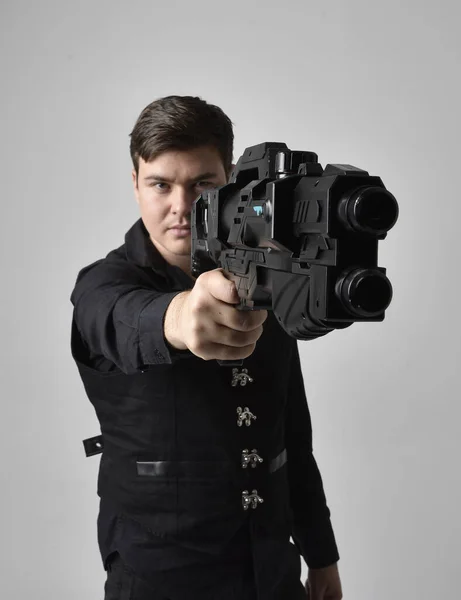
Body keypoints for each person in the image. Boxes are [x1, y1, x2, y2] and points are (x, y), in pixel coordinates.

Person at [70, 95, 343, 600]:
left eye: (202, 185)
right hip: (160, 577)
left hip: (270, 570)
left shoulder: (265, 276)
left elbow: (291, 436)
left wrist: (321, 554)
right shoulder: (102, 285)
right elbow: (118, 316)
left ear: (229, 185)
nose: (181, 207)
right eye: (160, 185)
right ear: (135, 184)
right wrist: (178, 318)